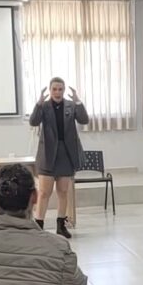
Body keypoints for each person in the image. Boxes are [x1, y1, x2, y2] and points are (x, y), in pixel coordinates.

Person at [29, 76, 89, 238]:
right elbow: (33, 122)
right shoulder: (44, 106)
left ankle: (61, 225)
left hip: (66, 154)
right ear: (50, 90)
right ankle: (39, 226)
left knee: (63, 191)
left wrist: (78, 102)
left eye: (60, 89)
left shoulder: (71, 105)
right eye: (54, 89)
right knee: (44, 193)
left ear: (63, 90)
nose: (57, 92)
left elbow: (84, 120)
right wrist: (38, 104)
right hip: (47, 154)